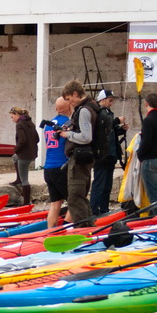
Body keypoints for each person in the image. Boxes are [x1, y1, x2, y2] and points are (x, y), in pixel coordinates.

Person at [60, 80, 98, 227]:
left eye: (69, 99)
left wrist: (67, 135)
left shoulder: (83, 110)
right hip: (86, 157)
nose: (70, 103)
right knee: (80, 195)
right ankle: (90, 226)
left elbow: (86, 137)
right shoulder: (92, 106)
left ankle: (83, 229)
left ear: (75, 94)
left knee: (75, 196)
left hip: (80, 157)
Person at [90, 89, 128, 216]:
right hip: (102, 155)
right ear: (103, 100)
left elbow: (110, 132)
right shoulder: (99, 113)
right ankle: (94, 211)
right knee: (99, 184)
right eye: (110, 100)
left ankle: (104, 209)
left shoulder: (108, 114)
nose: (111, 103)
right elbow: (103, 126)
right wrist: (117, 121)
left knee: (107, 186)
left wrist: (121, 130)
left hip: (111, 154)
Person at [43, 97, 73, 228]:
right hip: (61, 167)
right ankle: (65, 229)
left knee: (55, 203)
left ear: (56, 109)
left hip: (48, 167)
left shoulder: (48, 124)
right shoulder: (68, 123)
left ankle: (49, 232)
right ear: (70, 107)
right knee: (74, 202)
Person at [9, 107, 39, 205]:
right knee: (14, 157)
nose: (11, 118)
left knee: (25, 179)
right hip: (32, 153)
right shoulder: (30, 123)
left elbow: (22, 140)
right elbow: (37, 138)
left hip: (24, 155)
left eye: (12, 116)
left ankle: (26, 203)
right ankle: (18, 180)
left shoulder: (19, 125)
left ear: (17, 115)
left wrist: (17, 149)